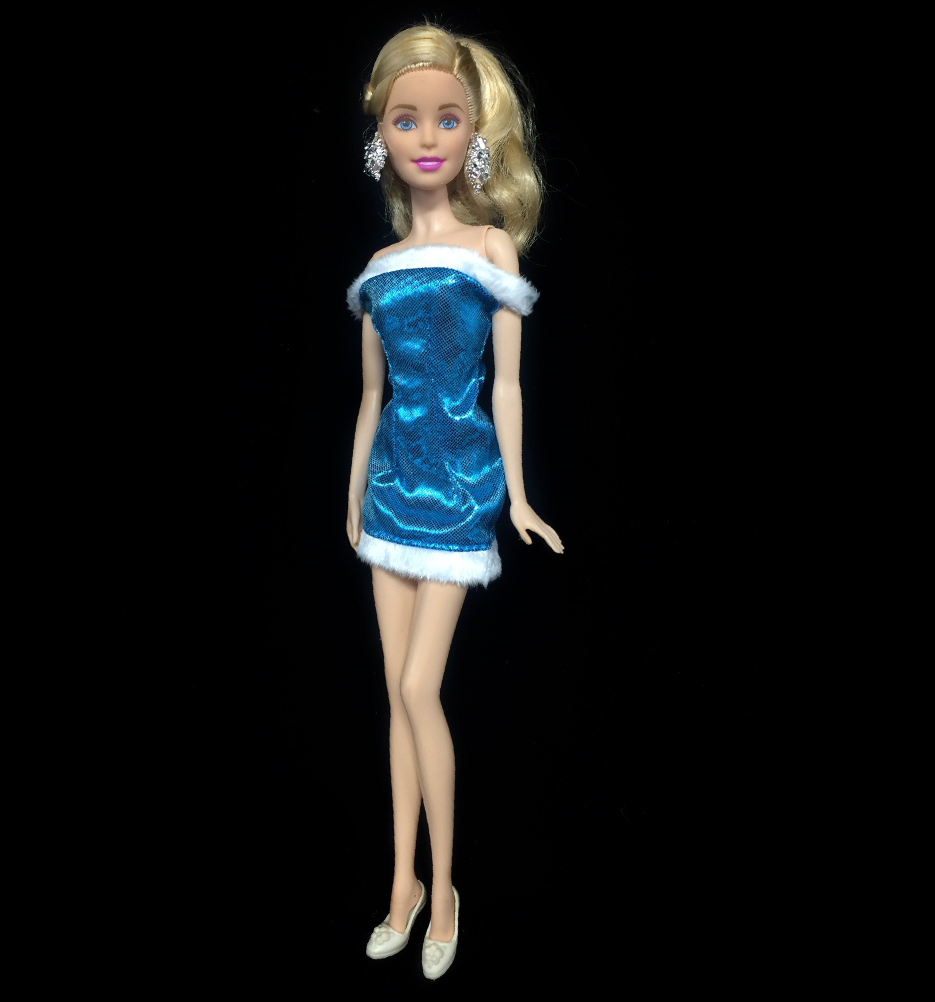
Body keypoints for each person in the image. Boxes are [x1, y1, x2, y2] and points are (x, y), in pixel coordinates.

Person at [344, 24, 563, 980]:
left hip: (460, 488)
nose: (426, 137)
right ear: (381, 136)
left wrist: (520, 496)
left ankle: (446, 890)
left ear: (474, 132)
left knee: (418, 688)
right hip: (390, 489)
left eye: (446, 118)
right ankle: (400, 886)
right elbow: (370, 397)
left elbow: (506, 386)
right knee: (394, 697)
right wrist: (351, 493)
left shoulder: (490, 245)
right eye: (406, 120)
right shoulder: (381, 264)